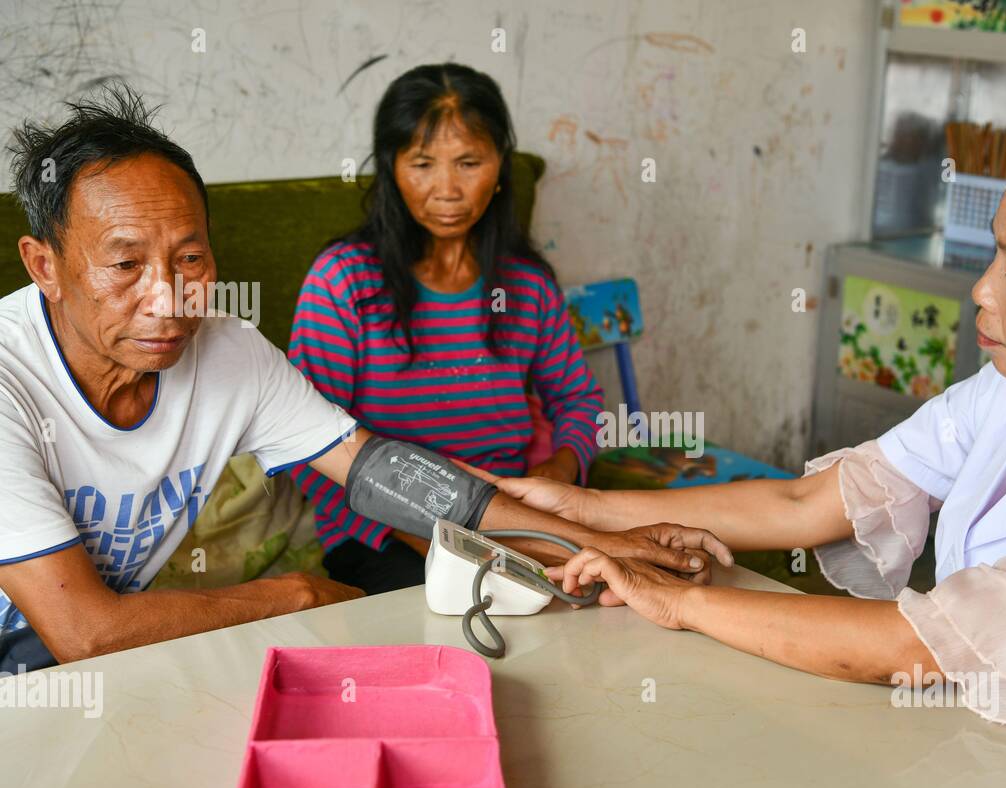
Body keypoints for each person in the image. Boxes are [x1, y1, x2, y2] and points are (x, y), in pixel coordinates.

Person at [496, 115, 1006, 788]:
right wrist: (590, 510)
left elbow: (926, 645)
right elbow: (809, 504)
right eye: (994, 258)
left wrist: (683, 605)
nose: (982, 292)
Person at [0, 86, 728, 672]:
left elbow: (377, 469)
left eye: (190, 258)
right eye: (125, 265)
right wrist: (292, 595)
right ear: (44, 267)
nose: (167, 298)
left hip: (76, 674)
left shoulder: (229, 353)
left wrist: (592, 542)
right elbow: (87, 633)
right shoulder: (10, 377)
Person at [288, 64, 605, 596]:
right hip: (383, 533)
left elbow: (579, 400)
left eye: (469, 162)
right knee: (462, 618)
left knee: (610, 599)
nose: (448, 189)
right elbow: (307, 443)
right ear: (392, 169)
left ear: (500, 168)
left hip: (510, 516)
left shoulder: (527, 286)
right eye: (422, 164)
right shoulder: (344, 281)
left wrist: (559, 470)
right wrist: (443, 542)